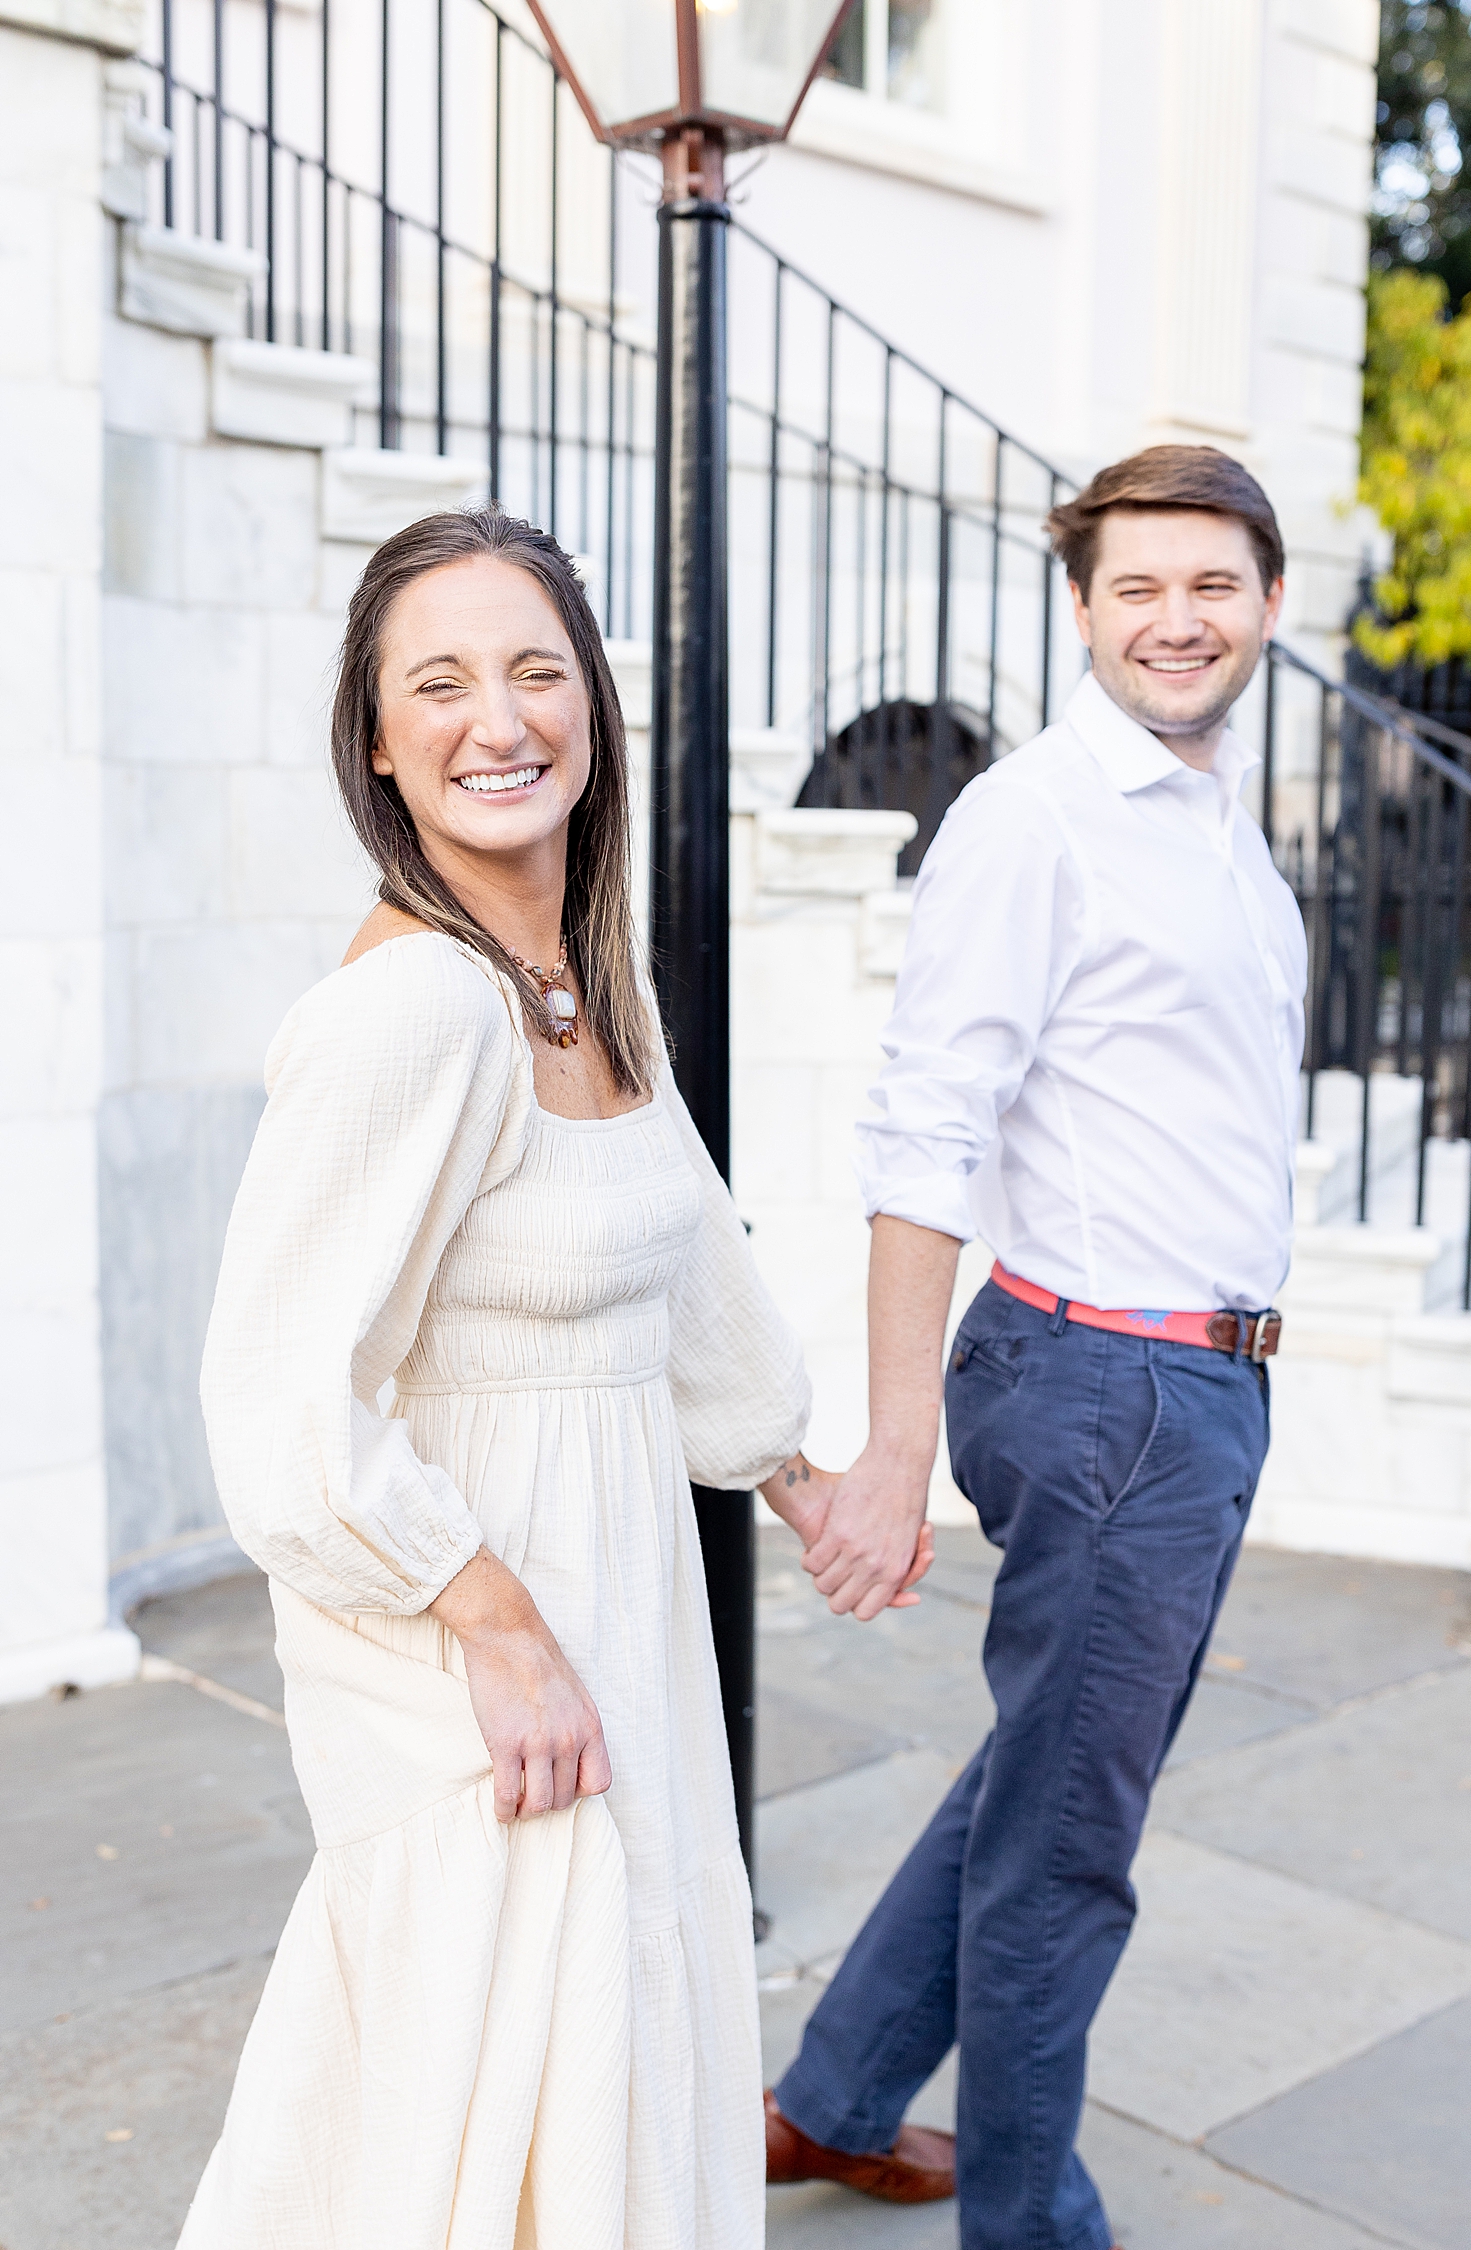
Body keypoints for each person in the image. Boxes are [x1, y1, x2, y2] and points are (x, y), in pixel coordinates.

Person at [180, 505, 931, 2250]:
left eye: (535, 670)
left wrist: (792, 1471)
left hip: (621, 1603)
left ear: (592, 707)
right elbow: (280, 1398)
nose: (496, 719)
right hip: (478, 1634)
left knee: (605, 2046)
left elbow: (680, 1251)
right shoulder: (418, 1010)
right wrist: (497, 1627)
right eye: (437, 684)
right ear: (378, 742)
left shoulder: (583, 979)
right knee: (471, 2098)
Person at [764, 446, 1306, 2250]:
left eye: (1211, 582)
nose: (1177, 616)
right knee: (1069, 1852)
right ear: (1083, 611)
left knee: (1045, 1767)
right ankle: (1030, 2222)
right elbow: (925, 1129)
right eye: (1136, 585)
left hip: (1194, 1385)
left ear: (1268, 604)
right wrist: (892, 1439)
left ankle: (837, 2095)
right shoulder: (1039, 815)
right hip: (1111, 1391)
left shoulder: (1216, 828)